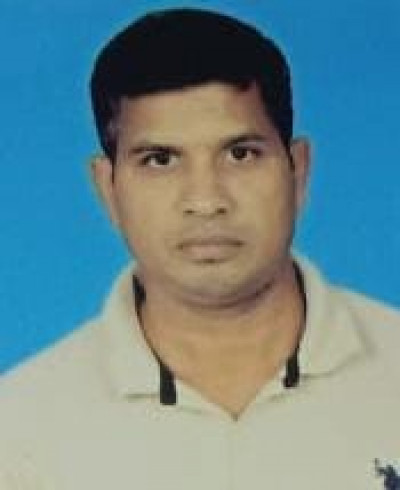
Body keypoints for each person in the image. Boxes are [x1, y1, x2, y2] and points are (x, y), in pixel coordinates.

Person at [1, 7, 400, 489]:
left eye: (241, 154)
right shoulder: (20, 430)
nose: (207, 201)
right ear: (108, 189)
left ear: (298, 170)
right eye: (160, 160)